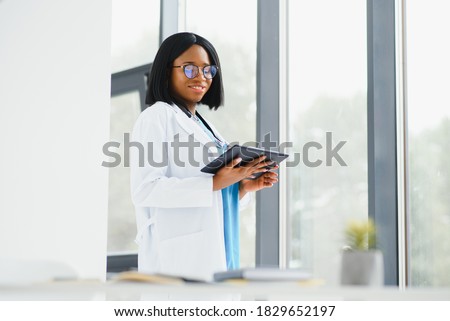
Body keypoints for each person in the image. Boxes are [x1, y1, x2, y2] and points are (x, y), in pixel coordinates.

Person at [130, 32, 278, 281]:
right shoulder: (157, 116)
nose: (201, 77)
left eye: (208, 70)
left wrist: (241, 187)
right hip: (177, 260)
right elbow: (145, 189)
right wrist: (217, 182)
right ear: (167, 71)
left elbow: (210, 192)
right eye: (190, 69)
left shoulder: (204, 126)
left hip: (216, 247)